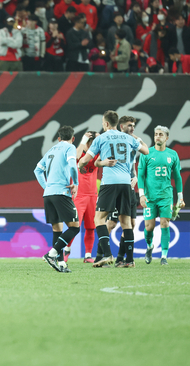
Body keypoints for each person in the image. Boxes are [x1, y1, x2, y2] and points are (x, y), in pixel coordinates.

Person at [78, 111, 149, 268]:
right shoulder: (128, 138)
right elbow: (146, 151)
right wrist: (137, 139)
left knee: (99, 219)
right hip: (126, 184)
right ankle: (129, 260)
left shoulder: (101, 138)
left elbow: (86, 159)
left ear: (105, 123)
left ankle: (107, 254)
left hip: (109, 183)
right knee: (126, 222)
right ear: (117, 123)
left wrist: (80, 165)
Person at [34, 126, 80, 273]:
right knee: (74, 227)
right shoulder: (70, 147)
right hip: (61, 192)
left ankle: (61, 264)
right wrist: (76, 184)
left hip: (48, 194)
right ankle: (52, 254)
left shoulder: (51, 150)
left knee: (57, 229)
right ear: (73, 138)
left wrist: (46, 186)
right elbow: (73, 165)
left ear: (58, 138)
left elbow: (37, 170)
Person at [138, 126, 185, 266]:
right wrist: (141, 195)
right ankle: (149, 246)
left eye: (160, 134)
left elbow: (177, 177)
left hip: (166, 196)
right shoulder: (146, 153)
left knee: (165, 223)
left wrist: (180, 197)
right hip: (150, 197)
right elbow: (140, 175)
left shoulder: (172, 154)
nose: (157, 136)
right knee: (149, 227)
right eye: (156, 134)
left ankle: (164, 256)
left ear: (167, 138)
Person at [102, 116, 140, 267]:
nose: (132, 128)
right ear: (121, 126)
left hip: (129, 188)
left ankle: (120, 258)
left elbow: (132, 165)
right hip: (118, 186)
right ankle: (101, 255)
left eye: (133, 126)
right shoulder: (116, 141)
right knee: (111, 223)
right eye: (129, 125)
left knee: (131, 223)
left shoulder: (131, 142)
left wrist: (135, 177)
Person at [61, 131, 99, 263]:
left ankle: (88, 255)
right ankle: (67, 250)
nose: (93, 144)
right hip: (79, 195)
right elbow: (77, 156)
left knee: (90, 227)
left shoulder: (96, 154)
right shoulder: (79, 152)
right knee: (74, 225)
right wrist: (83, 140)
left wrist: (102, 139)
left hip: (92, 195)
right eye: (91, 141)